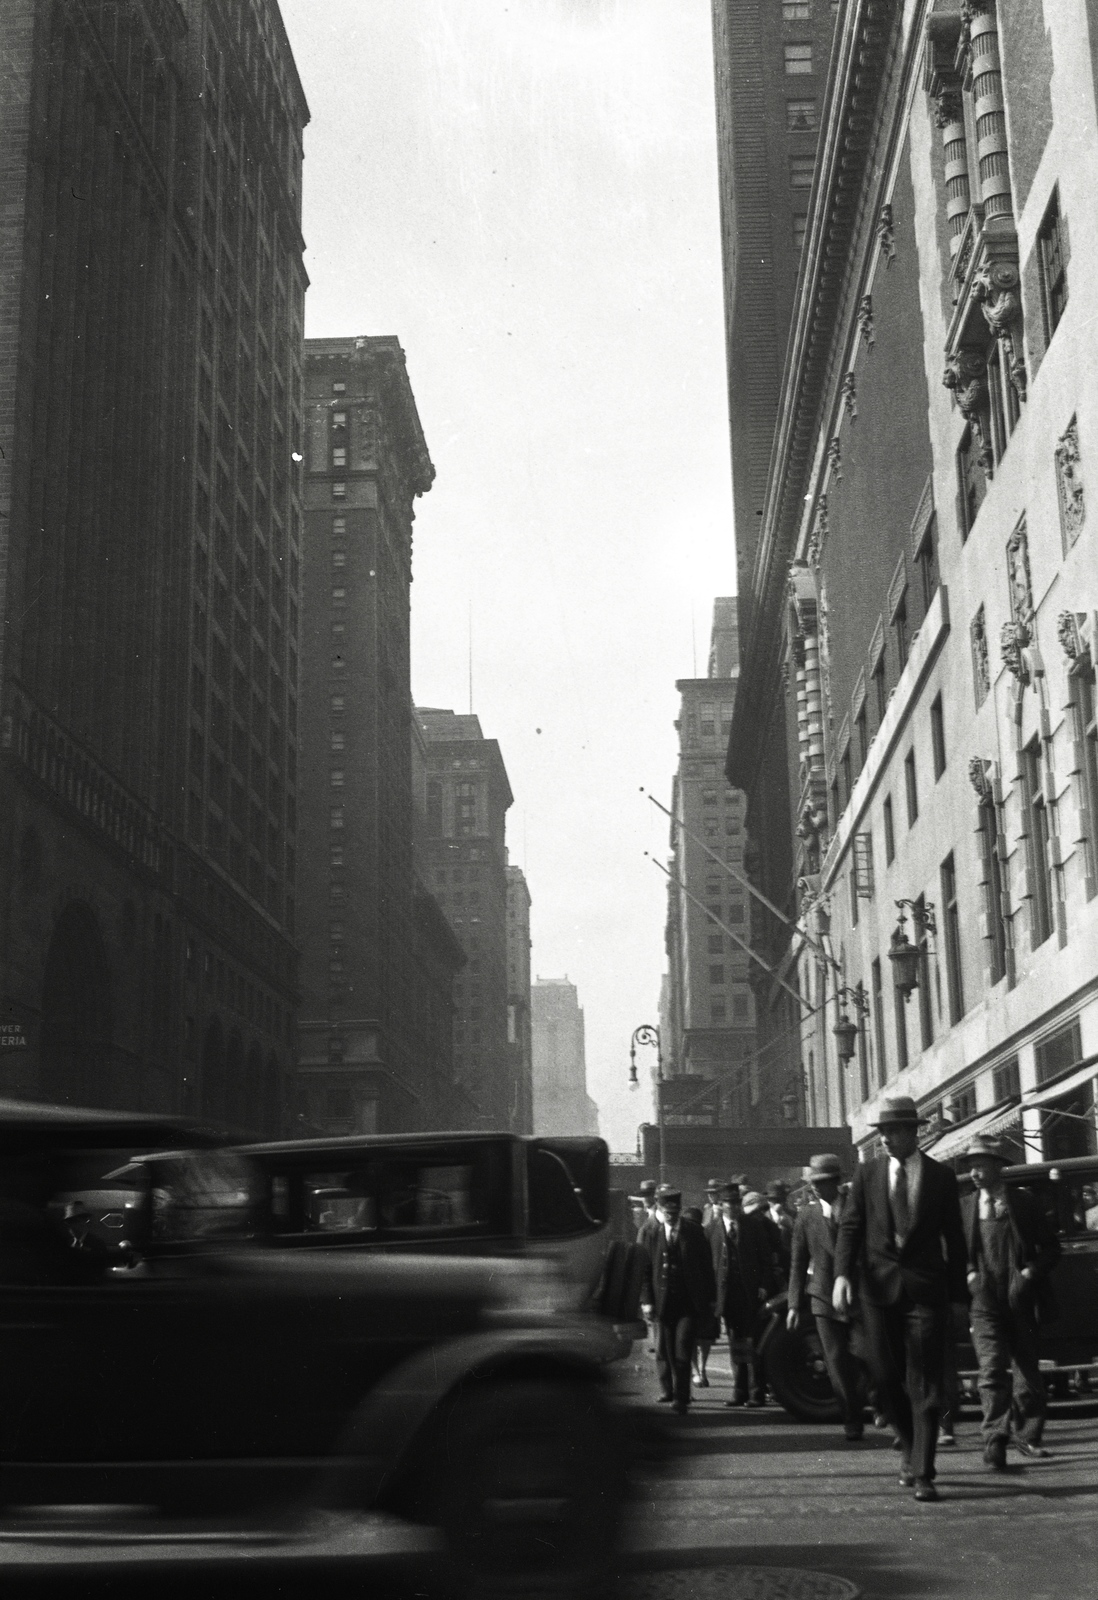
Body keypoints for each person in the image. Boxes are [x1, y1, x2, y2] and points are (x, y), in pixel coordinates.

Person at [834, 1096, 968, 1503]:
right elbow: (851, 1227)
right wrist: (842, 1275)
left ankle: (925, 1472)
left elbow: (956, 1242)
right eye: (883, 1133)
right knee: (886, 1378)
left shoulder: (941, 1177)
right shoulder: (868, 1174)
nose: (886, 1140)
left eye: (893, 1132)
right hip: (878, 1292)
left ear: (914, 1132)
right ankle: (909, 1450)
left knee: (923, 1382)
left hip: (925, 1293)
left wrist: (959, 1297)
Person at [960, 1135, 1061, 1470]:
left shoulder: (1024, 1203)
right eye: (971, 1167)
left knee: (1026, 1371)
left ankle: (1029, 1437)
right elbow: (957, 1253)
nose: (974, 1173)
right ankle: (994, 1441)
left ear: (997, 1167)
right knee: (990, 1370)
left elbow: (1051, 1248)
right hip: (984, 1300)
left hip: (1019, 1297)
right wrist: (970, 1272)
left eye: (980, 1166)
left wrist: (1030, 1272)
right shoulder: (966, 1207)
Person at [787, 1153, 866, 1440]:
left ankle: (880, 1404)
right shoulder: (806, 1216)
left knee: (867, 1356)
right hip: (821, 1296)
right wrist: (794, 1304)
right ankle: (852, 1421)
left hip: (857, 1295)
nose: (816, 1187)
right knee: (835, 1361)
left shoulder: (856, 1208)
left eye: (822, 1182)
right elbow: (797, 1262)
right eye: (812, 1183)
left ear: (837, 1181)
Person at [640, 1185, 716, 1414]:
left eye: (675, 1213)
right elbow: (645, 1270)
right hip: (662, 1303)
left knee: (682, 1350)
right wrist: (647, 1301)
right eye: (667, 1213)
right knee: (664, 1349)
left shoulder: (693, 1232)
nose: (671, 1218)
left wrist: (710, 1299)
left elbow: (706, 1267)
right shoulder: (652, 1233)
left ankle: (681, 1398)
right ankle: (667, 1390)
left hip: (687, 1304)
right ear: (660, 1210)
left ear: (680, 1211)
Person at [707, 1182, 779, 1407]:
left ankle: (756, 1393)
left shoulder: (753, 1226)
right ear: (721, 1205)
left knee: (754, 1342)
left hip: (752, 1294)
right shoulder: (712, 1230)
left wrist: (764, 1285)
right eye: (729, 1204)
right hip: (728, 1296)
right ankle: (739, 1392)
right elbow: (710, 1265)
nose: (734, 1207)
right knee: (735, 1344)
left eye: (737, 1203)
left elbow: (766, 1260)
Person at [766, 1179, 795, 1273]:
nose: (779, 1204)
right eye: (775, 1200)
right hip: (771, 1265)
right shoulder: (763, 1217)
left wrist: (790, 1226)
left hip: (789, 1263)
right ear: (768, 1200)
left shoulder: (793, 1215)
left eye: (782, 1200)